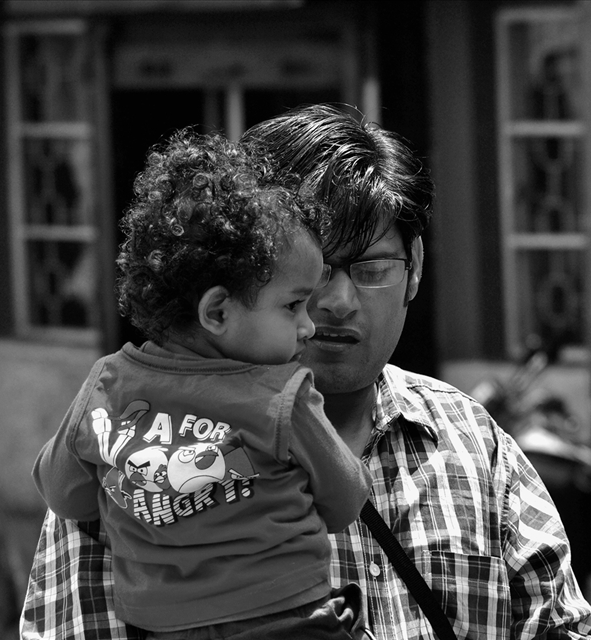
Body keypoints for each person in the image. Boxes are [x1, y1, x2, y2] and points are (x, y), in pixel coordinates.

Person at [20, 104, 591, 639]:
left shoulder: (474, 447)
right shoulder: (125, 471)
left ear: (416, 267)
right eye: (313, 275)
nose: (337, 302)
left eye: (372, 268)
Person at [31, 130, 373, 638]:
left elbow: (63, 495)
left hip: (164, 629)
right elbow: (346, 499)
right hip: (289, 622)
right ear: (217, 311)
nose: (308, 325)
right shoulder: (284, 396)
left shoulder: (105, 388)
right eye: (292, 305)